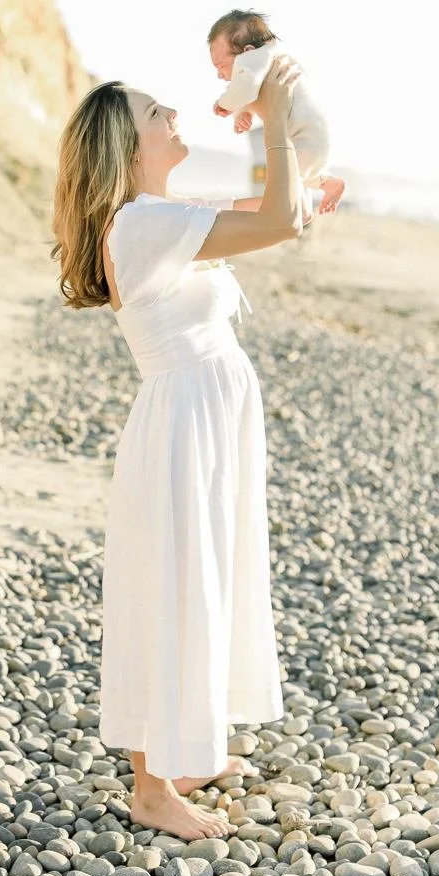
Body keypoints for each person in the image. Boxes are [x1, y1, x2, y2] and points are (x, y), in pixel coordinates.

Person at [52, 56, 307, 834]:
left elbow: (275, 207)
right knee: (170, 586)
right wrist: (279, 116)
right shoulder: (143, 222)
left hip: (208, 413)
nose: (173, 115)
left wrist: (299, 172)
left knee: (211, 575)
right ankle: (151, 789)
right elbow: (277, 220)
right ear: (127, 146)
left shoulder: (161, 214)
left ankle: (187, 750)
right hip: (184, 420)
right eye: (156, 112)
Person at [208, 9, 344, 226]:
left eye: (221, 66)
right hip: (311, 138)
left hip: (305, 138)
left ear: (247, 51)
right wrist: (241, 114)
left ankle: (302, 211)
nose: (219, 74)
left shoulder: (255, 60)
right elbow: (254, 92)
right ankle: (328, 182)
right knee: (296, 174)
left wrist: (225, 104)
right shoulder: (271, 61)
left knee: (284, 184)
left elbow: (246, 88)